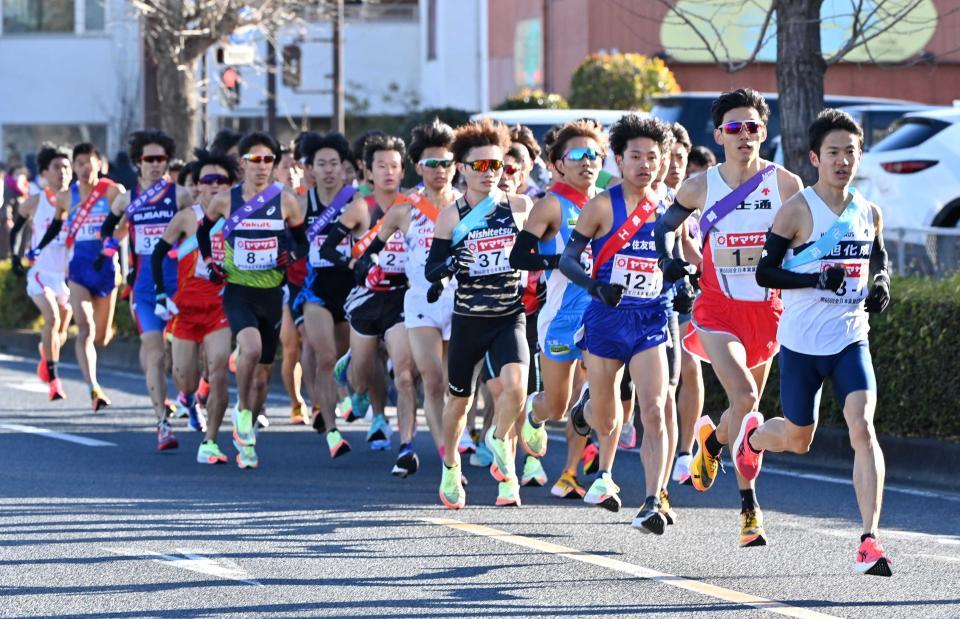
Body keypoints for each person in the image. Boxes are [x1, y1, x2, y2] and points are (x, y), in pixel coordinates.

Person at [654, 88, 803, 546]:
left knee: (747, 409)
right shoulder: (700, 186)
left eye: (752, 127)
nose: (743, 135)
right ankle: (749, 509)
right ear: (719, 134)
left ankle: (713, 446)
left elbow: (803, 243)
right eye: (734, 128)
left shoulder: (785, 184)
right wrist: (670, 260)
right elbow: (663, 227)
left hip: (766, 310)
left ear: (764, 132)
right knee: (743, 395)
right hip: (716, 310)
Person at [750, 109, 892, 576]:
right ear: (815, 157)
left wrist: (883, 284)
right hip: (801, 344)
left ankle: (869, 539)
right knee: (796, 439)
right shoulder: (796, 210)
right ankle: (751, 438)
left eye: (850, 151)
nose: (842, 160)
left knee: (862, 428)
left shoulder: (868, 211)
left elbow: (879, 259)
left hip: (851, 340)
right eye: (833, 152)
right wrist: (814, 276)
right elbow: (764, 272)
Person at [557, 115, 674, 531]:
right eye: (636, 157)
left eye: (652, 157)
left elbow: (686, 255)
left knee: (654, 410)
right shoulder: (602, 205)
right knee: (608, 420)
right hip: (606, 319)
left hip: (650, 318)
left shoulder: (669, 206)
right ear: (620, 161)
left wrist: (685, 274)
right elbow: (568, 259)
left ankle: (651, 502)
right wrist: (594, 287)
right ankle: (585, 409)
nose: (645, 164)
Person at [428, 118, 533, 508]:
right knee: (459, 402)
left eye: (498, 165)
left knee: (517, 388)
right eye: (480, 166)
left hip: (510, 314)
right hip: (469, 320)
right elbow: (432, 269)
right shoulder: (451, 216)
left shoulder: (521, 207)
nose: (490, 174)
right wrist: (454, 261)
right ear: (463, 169)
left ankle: (502, 455)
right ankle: (451, 465)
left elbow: (538, 251)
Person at [197, 131, 308, 469]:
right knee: (251, 348)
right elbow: (204, 232)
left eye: (269, 160)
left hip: (271, 292)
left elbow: (302, 243)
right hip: (239, 289)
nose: (262, 166)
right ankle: (242, 412)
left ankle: (247, 443)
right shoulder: (225, 199)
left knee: (262, 374)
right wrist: (211, 264)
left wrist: (289, 256)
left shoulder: (286, 200)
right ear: (242, 163)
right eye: (255, 160)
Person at [511, 119, 607, 500]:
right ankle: (534, 414)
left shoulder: (608, 202)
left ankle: (582, 472)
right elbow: (520, 255)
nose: (588, 162)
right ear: (557, 163)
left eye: (595, 154)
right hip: (560, 316)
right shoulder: (551, 204)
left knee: (597, 389)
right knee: (557, 404)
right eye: (578, 155)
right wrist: (562, 263)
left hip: (600, 313)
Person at [320, 134, 419, 473]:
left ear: (402, 169)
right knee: (361, 381)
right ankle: (354, 379)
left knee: (405, 374)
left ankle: (406, 447)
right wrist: (357, 265)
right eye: (381, 166)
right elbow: (327, 249)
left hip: (402, 298)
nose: (389, 172)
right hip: (366, 299)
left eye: (394, 166)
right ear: (368, 171)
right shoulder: (361, 207)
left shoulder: (414, 207)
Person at [99, 130, 194, 449]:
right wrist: (109, 245)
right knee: (155, 356)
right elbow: (107, 226)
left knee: (185, 366)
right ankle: (162, 424)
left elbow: (199, 231)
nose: (155, 165)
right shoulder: (127, 200)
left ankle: (188, 397)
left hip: (180, 287)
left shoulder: (180, 195)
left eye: (161, 159)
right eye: (148, 159)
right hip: (145, 289)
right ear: (138, 162)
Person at [374, 120, 460, 462]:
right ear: (419, 167)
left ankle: (457, 438)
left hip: (461, 299)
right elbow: (373, 248)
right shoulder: (403, 209)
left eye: (447, 163)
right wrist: (368, 264)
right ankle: (447, 458)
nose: (441, 171)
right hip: (421, 300)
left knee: (457, 385)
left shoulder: (470, 205)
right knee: (433, 380)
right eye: (433, 164)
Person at [152, 148, 236, 462]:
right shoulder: (187, 218)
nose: (215, 185)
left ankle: (211, 441)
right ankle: (188, 398)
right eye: (208, 179)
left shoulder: (237, 214)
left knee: (217, 371)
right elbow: (159, 254)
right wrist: (161, 293)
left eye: (222, 180)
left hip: (220, 308)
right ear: (197, 185)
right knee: (183, 376)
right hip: (186, 310)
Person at [33, 143, 125, 411]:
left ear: (100, 164)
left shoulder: (112, 192)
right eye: (80, 163)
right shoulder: (65, 197)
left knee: (101, 337)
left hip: (106, 268)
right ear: (75, 168)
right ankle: (93, 388)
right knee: (84, 328)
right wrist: (38, 248)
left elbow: (126, 223)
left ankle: (94, 371)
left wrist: (112, 241)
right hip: (79, 269)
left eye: (90, 162)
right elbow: (56, 226)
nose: (85, 168)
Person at [294, 131, 356, 459]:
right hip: (315, 288)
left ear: (344, 167)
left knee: (347, 357)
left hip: (350, 288)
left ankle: (348, 397)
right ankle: (331, 429)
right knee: (326, 356)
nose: (329, 170)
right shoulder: (302, 203)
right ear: (311, 169)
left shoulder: (355, 200)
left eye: (335, 163)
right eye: (322, 164)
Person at [9, 145, 73, 400]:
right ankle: (54, 380)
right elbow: (16, 229)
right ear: (45, 173)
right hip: (40, 274)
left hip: (63, 278)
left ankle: (45, 356)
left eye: (67, 167)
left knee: (62, 330)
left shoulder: (77, 200)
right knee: (53, 318)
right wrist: (16, 256)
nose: (63, 172)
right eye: (57, 168)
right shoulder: (36, 201)